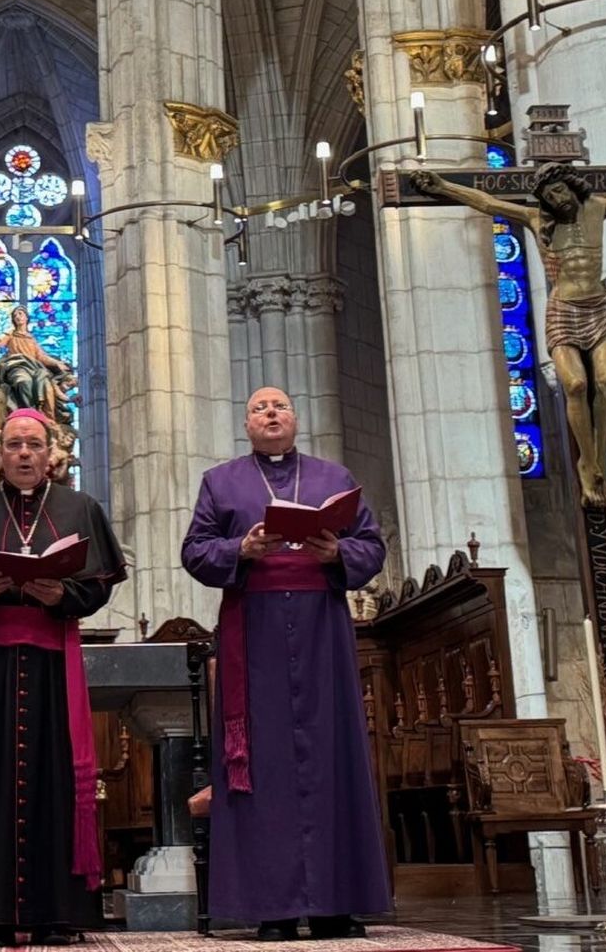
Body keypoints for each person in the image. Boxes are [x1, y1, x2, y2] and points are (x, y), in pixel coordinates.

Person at [180, 388, 388, 941]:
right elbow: (195, 550)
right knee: (265, 763)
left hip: (323, 629)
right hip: (255, 633)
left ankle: (336, 904)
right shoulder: (221, 482)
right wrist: (241, 550)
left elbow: (372, 546)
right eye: (259, 408)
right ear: (247, 425)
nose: (271, 413)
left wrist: (337, 552)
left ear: (295, 419)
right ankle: (271, 908)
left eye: (280, 407)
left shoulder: (334, 478)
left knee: (330, 755)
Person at [0, 408, 127, 947]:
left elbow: (101, 582)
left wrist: (64, 593)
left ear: (50, 453)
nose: (23, 454)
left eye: (33, 445)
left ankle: (55, 912)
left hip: (51, 663)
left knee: (52, 780)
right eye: (13, 444)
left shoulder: (79, 508)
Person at [411, 160, 606, 505]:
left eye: (560, 191)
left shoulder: (597, 208)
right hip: (563, 309)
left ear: (571, 187)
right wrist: (443, 186)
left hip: (598, 306)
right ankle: (586, 462)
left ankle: (598, 461)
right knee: (575, 384)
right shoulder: (537, 219)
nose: (557, 199)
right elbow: (488, 203)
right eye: (549, 196)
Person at [0, 306, 73, 419]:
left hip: (33, 367)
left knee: (45, 382)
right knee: (23, 381)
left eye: (20, 314)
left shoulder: (31, 338)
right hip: (16, 366)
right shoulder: (11, 334)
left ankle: (46, 415)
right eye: (15, 316)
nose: (18, 317)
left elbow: (41, 357)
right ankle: (30, 412)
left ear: (27, 317)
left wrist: (57, 363)